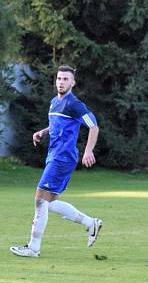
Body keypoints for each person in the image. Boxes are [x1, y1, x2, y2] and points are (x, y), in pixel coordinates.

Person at [10, 65, 103, 258]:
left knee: (39, 199)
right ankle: (90, 223)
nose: (61, 82)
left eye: (65, 79)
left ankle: (33, 248)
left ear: (73, 83)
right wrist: (42, 133)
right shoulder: (54, 102)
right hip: (54, 155)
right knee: (48, 203)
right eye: (59, 78)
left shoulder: (74, 104)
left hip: (63, 157)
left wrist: (88, 151)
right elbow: (56, 125)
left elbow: (93, 127)